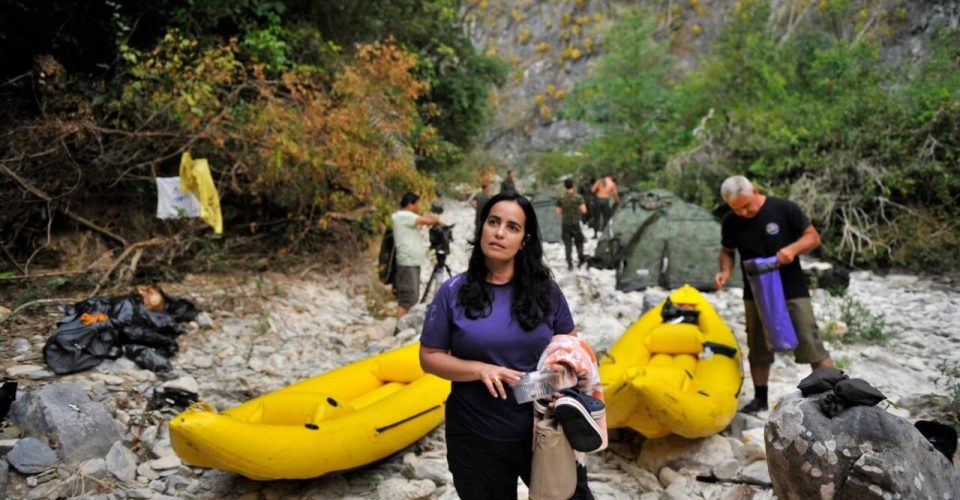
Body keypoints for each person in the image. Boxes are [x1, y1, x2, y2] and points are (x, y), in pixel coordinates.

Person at [419, 191, 593, 499]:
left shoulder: (546, 292)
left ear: (525, 240)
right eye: (493, 222)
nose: (499, 232)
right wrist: (479, 369)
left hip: (544, 429)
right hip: (475, 433)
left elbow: (572, 351)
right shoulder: (453, 292)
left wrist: (554, 380)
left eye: (512, 227)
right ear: (482, 228)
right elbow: (429, 357)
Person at [713, 175, 834, 414]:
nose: (743, 213)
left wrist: (792, 249)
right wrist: (725, 271)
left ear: (755, 191)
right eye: (737, 209)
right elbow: (727, 251)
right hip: (755, 290)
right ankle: (760, 398)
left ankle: (833, 392)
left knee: (809, 338)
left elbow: (812, 237)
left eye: (746, 206)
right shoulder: (731, 220)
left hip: (791, 286)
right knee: (757, 344)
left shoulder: (784, 209)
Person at [392, 192, 440, 320]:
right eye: (417, 204)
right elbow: (427, 221)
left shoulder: (404, 218)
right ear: (410, 204)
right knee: (407, 298)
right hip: (407, 262)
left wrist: (428, 218)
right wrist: (437, 220)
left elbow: (420, 223)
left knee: (411, 296)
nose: (418, 207)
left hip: (411, 262)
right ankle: (400, 326)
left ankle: (404, 324)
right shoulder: (403, 215)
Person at [555, 178, 587, 270]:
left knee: (568, 244)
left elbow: (557, 211)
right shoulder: (578, 197)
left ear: (565, 186)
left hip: (565, 223)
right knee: (579, 242)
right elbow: (584, 210)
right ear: (573, 185)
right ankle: (580, 259)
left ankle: (569, 262)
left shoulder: (561, 198)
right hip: (575, 223)